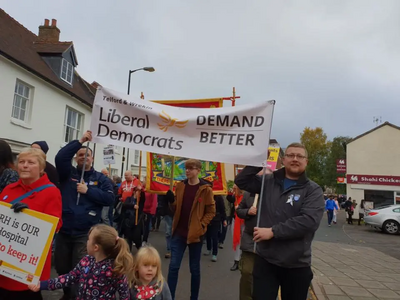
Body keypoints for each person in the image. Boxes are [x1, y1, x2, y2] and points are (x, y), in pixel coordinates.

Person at [235, 142, 325, 300]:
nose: (295, 159)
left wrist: (273, 232)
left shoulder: (313, 190)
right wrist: (259, 159)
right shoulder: (267, 182)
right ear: (283, 160)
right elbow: (242, 181)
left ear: (306, 161)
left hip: (296, 264)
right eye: (290, 155)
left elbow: (309, 221)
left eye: (300, 156)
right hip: (266, 261)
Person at [54, 130, 115, 300]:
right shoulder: (68, 174)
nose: (83, 157)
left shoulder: (100, 179)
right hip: (64, 231)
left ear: (92, 159)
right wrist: (80, 141)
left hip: (85, 234)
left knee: (78, 269)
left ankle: (74, 297)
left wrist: (89, 191)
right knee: (61, 267)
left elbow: (110, 198)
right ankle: (68, 294)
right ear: (76, 158)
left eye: (87, 155)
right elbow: (60, 158)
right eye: (80, 155)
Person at [0, 147, 62, 300]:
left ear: (41, 168)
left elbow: (55, 225)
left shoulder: (51, 192)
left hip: (27, 265)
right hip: (4, 260)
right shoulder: (9, 189)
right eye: (21, 162)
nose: (25, 165)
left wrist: (31, 216)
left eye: (31, 162)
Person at [28, 224, 132, 299]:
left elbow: (124, 294)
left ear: (96, 247)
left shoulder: (114, 268)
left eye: (88, 239)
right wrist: (42, 285)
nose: (86, 241)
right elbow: (69, 278)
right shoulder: (86, 261)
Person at [166, 159, 215, 300]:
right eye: (186, 168)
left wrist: (202, 225)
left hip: (195, 234)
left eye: (191, 168)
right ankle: (170, 297)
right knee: (173, 267)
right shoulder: (180, 186)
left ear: (198, 170)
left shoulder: (205, 190)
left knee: (194, 269)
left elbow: (211, 211)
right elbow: (175, 208)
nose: (187, 170)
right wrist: (171, 201)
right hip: (179, 233)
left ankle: (194, 297)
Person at [236, 191, 258, 300]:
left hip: (269, 244)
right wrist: (248, 212)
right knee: (247, 273)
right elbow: (239, 210)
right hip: (250, 241)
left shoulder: (275, 193)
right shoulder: (248, 194)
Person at [226, 184, 244, 271]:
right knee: (236, 241)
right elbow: (229, 198)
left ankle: (243, 260)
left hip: (244, 222)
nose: (234, 189)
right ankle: (236, 261)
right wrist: (230, 192)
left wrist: (240, 210)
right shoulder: (235, 197)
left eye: (235, 188)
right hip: (235, 221)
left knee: (244, 241)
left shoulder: (246, 197)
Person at [204, 195, 226, 262]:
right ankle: (208, 248)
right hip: (207, 218)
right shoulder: (206, 195)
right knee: (207, 235)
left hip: (216, 219)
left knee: (214, 236)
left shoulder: (219, 197)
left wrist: (223, 220)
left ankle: (214, 253)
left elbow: (222, 209)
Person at [157, 194, 174, 258]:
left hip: (177, 212)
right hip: (167, 212)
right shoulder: (164, 190)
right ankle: (169, 249)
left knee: (175, 232)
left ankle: (175, 249)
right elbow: (161, 199)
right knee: (168, 232)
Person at [143, 177, 158, 246]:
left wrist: (152, 211)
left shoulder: (151, 190)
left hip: (148, 211)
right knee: (140, 226)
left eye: (144, 180)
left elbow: (154, 201)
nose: (143, 181)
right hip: (141, 210)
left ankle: (144, 240)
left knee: (146, 226)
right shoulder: (141, 189)